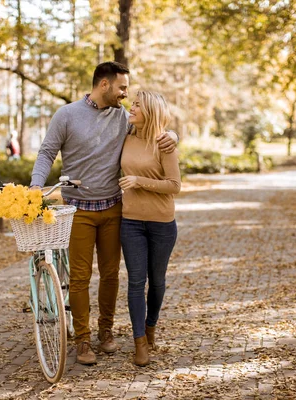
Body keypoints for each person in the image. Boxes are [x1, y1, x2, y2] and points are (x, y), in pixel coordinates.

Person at [30, 61, 178, 365]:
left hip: (114, 208)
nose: (126, 94)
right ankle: (83, 340)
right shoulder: (67, 115)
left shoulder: (123, 118)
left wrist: (173, 136)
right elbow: (47, 152)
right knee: (81, 276)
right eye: (122, 87)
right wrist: (35, 185)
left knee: (111, 274)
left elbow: (152, 130)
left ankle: (105, 331)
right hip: (78, 209)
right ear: (104, 85)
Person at [119, 91, 180, 366]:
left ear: (151, 111)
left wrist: (139, 181)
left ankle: (151, 324)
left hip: (162, 223)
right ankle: (139, 341)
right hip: (130, 221)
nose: (131, 107)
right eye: (132, 103)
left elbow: (175, 186)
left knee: (156, 281)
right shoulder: (126, 136)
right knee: (135, 282)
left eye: (138, 105)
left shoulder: (164, 143)